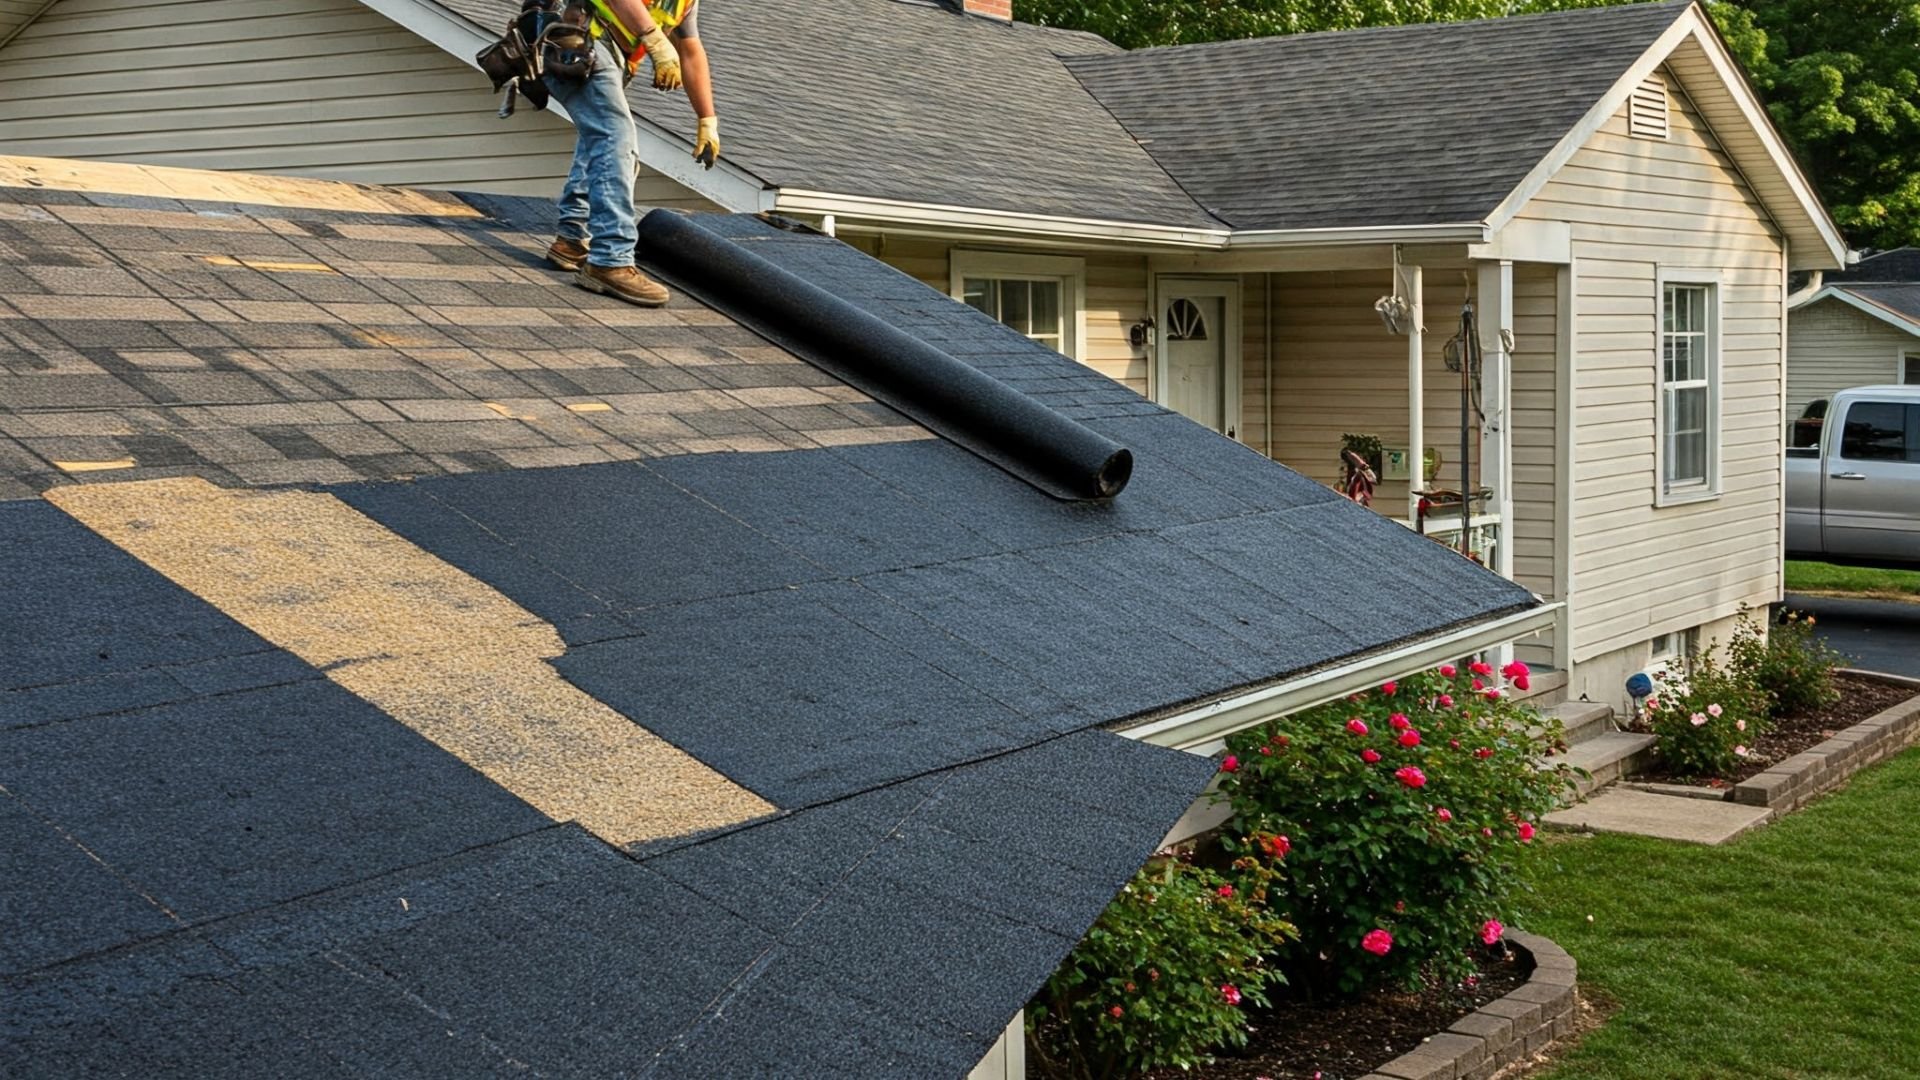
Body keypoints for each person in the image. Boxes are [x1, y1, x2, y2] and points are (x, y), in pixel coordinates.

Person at [543, 0, 721, 306]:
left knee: (601, 141)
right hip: (580, 45)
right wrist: (655, 40)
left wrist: (707, 119)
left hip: (606, 57)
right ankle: (610, 260)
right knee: (616, 141)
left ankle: (572, 239)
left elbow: (691, 51)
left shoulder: (686, 3)